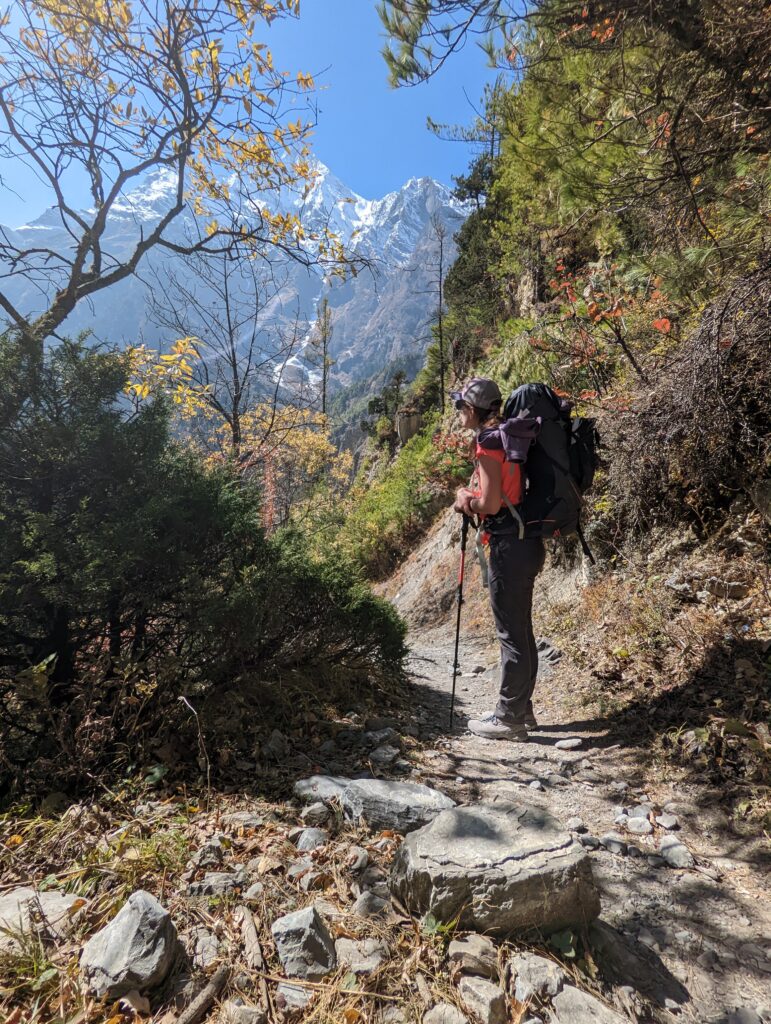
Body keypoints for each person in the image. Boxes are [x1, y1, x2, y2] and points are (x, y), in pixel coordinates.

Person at [451, 377, 546, 741]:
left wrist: (465, 500)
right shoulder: (510, 435)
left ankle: (508, 718)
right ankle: (522, 710)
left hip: (510, 545)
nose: (459, 413)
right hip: (526, 541)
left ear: (473, 409)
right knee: (521, 629)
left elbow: (490, 503)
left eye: (461, 406)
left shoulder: (489, 442)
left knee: (511, 633)